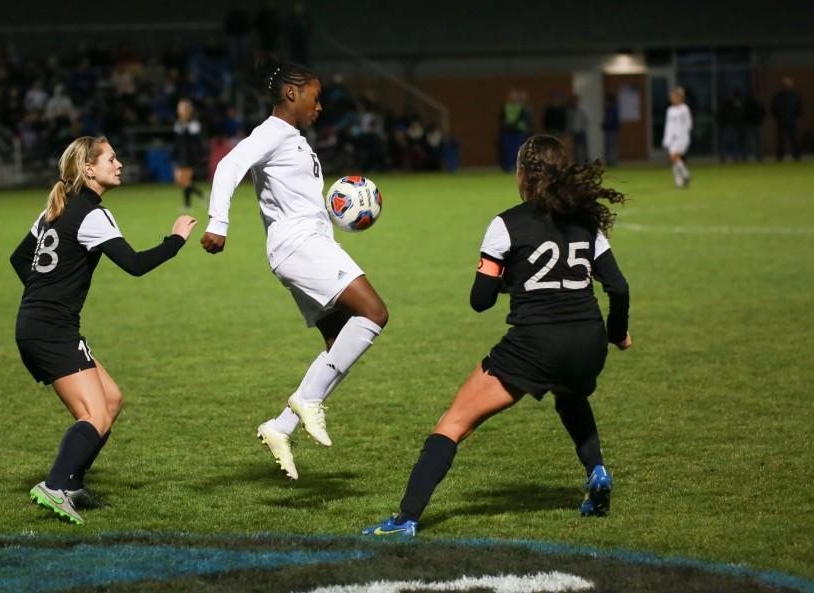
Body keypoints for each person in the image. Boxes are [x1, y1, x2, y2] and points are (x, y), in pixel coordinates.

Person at [363, 135, 631, 537]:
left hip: (536, 345)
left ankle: (405, 519)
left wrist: (511, 279)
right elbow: (619, 287)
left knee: (453, 422)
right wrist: (617, 333)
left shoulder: (506, 224)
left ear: (522, 173)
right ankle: (597, 472)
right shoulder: (587, 222)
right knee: (570, 393)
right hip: (588, 341)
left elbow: (480, 300)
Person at [200, 58, 389, 480]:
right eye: (314, 97)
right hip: (301, 247)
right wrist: (218, 222)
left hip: (305, 246)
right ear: (291, 94)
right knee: (374, 314)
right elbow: (229, 166)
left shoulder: (294, 139)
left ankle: (280, 426)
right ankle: (307, 403)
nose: (319, 106)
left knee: (340, 341)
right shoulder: (272, 132)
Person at [10, 136, 196, 525]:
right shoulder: (92, 214)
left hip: (40, 324)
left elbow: (19, 259)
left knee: (110, 401)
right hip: (51, 328)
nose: (120, 164)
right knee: (94, 414)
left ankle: (73, 484)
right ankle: (56, 485)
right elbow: (135, 265)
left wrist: (45, 293)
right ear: (89, 169)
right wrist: (176, 239)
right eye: (112, 158)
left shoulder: (53, 212)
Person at [173, 98, 206, 211]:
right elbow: (177, 141)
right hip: (181, 154)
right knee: (181, 181)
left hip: (190, 155)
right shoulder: (178, 123)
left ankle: (187, 205)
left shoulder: (194, 123)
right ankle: (201, 194)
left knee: (185, 180)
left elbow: (196, 141)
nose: (178, 110)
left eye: (181, 108)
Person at [662, 87, 692, 188]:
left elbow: (688, 124)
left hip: (681, 138)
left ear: (680, 97)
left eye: (674, 96)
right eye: (672, 97)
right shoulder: (670, 110)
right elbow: (668, 126)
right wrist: (666, 139)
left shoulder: (684, 109)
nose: (672, 98)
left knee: (674, 157)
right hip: (671, 139)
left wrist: (681, 134)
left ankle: (686, 175)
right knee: (674, 159)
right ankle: (679, 182)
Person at [771, 77, 803, 162]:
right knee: (781, 140)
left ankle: (797, 156)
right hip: (781, 121)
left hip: (792, 121)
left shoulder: (794, 96)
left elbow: (799, 109)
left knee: (794, 139)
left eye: (788, 84)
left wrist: (795, 117)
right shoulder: (778, 96)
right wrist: (779, 117)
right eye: (785, 84)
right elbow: (774, 109)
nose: (787, 85)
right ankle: (780, 157)